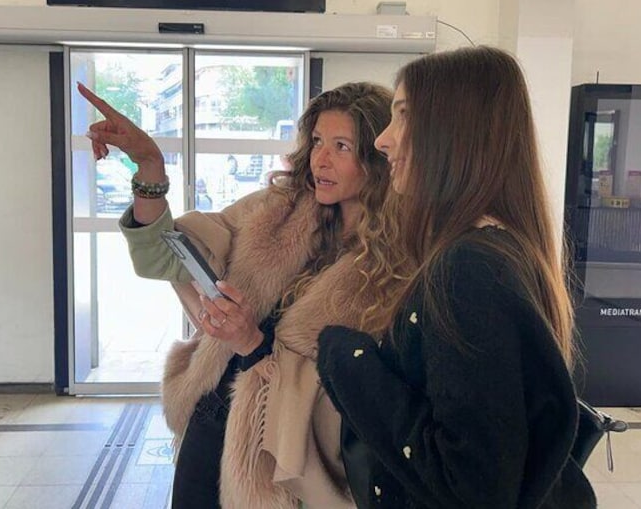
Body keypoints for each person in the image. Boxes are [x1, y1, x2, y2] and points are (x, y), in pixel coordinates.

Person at [78, 81, 394, 508]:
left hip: (284, 461)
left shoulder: (395, 264)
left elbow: (364, 394)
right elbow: (161, 257)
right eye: (318, 141)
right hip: (212, 418)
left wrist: (253, 344)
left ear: (379, 158)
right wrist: (150, 164)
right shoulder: (275, 211)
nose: (321, 159)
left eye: (342, 146)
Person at [317, 47, 597, 508]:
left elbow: (470, 486)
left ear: (454, 132)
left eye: (404, 115)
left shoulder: (469, 269)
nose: (384, 140)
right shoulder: (499, 248)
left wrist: (347, 357)